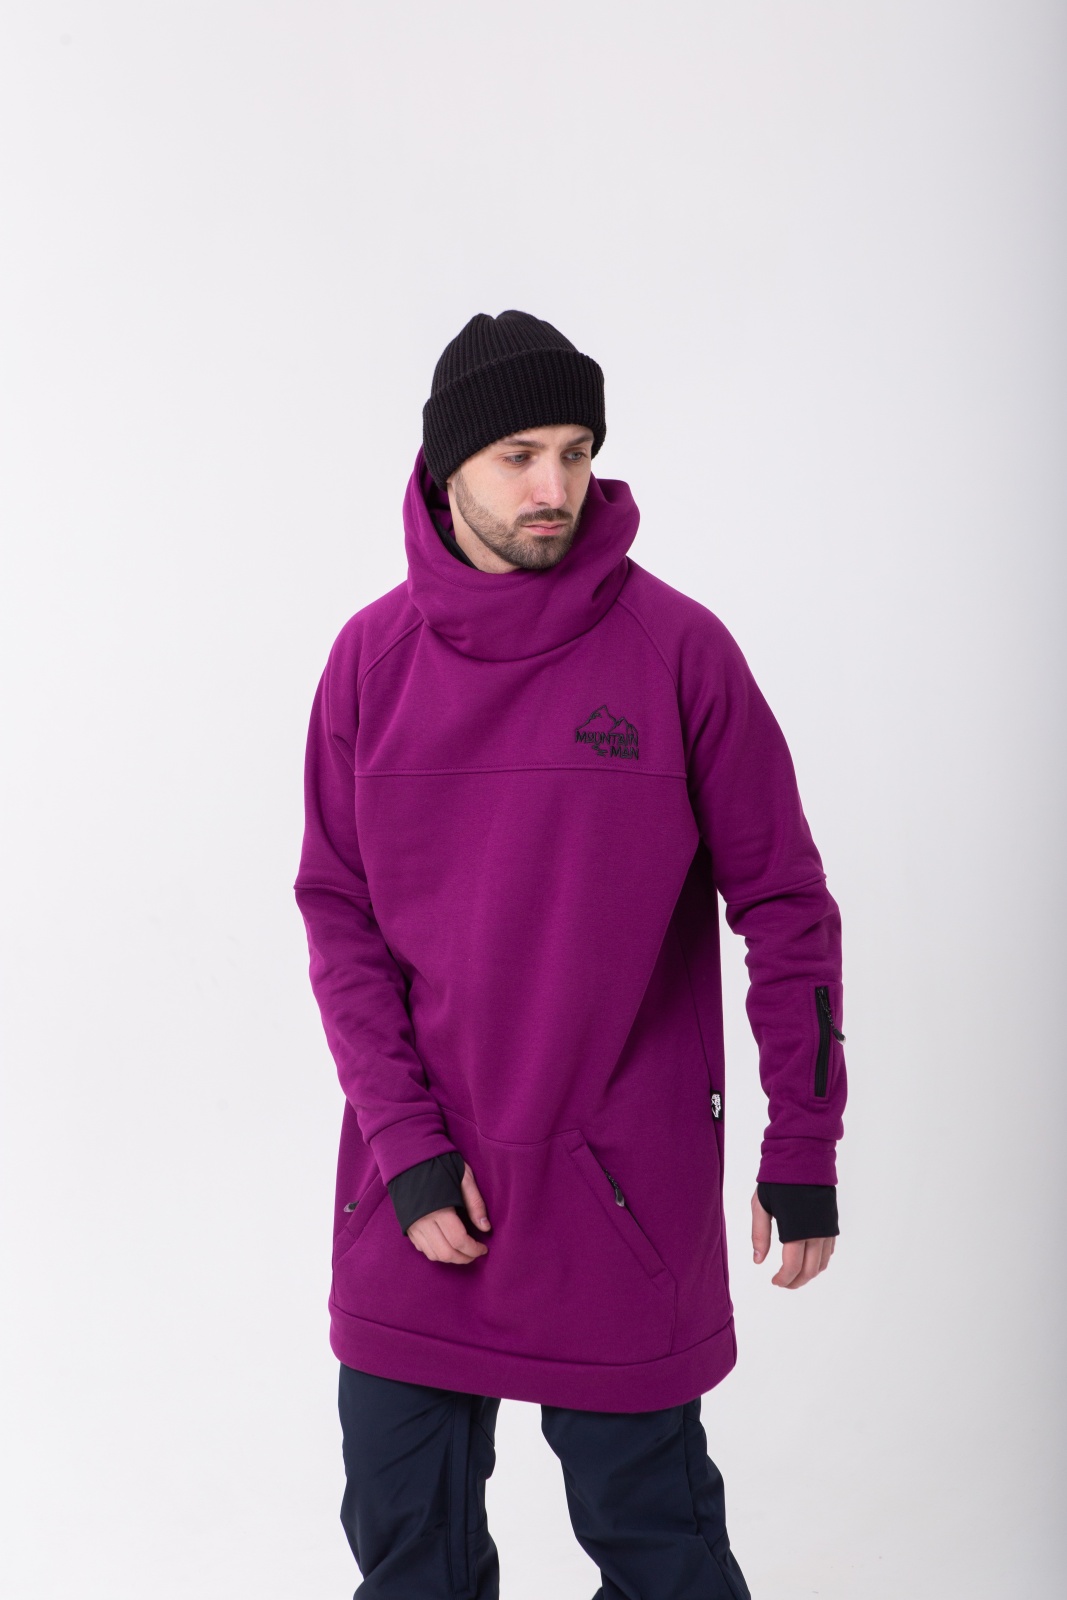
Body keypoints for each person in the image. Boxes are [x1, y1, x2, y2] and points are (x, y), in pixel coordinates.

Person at [293, 309, 847, 1600]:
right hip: (417, 1192)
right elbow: (339, 914)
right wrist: (405, 1146)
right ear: (448, 467)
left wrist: (804, 1143)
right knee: (408, 1559)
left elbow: (785, 905)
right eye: (520, 456)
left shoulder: (678, 652)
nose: (557, 487)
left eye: (578, 451)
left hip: (616, 1199)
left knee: (663, 1559)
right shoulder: (369, 663)